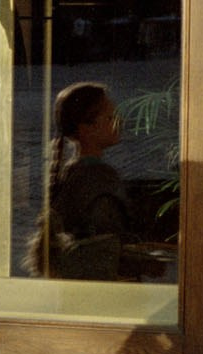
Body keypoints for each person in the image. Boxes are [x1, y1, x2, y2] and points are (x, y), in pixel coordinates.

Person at [32, 82, 132, 281]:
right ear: (86, 128)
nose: (118, 121)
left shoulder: (72, 171)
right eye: (110, 117)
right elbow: (107, 240)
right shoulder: (97, 177)